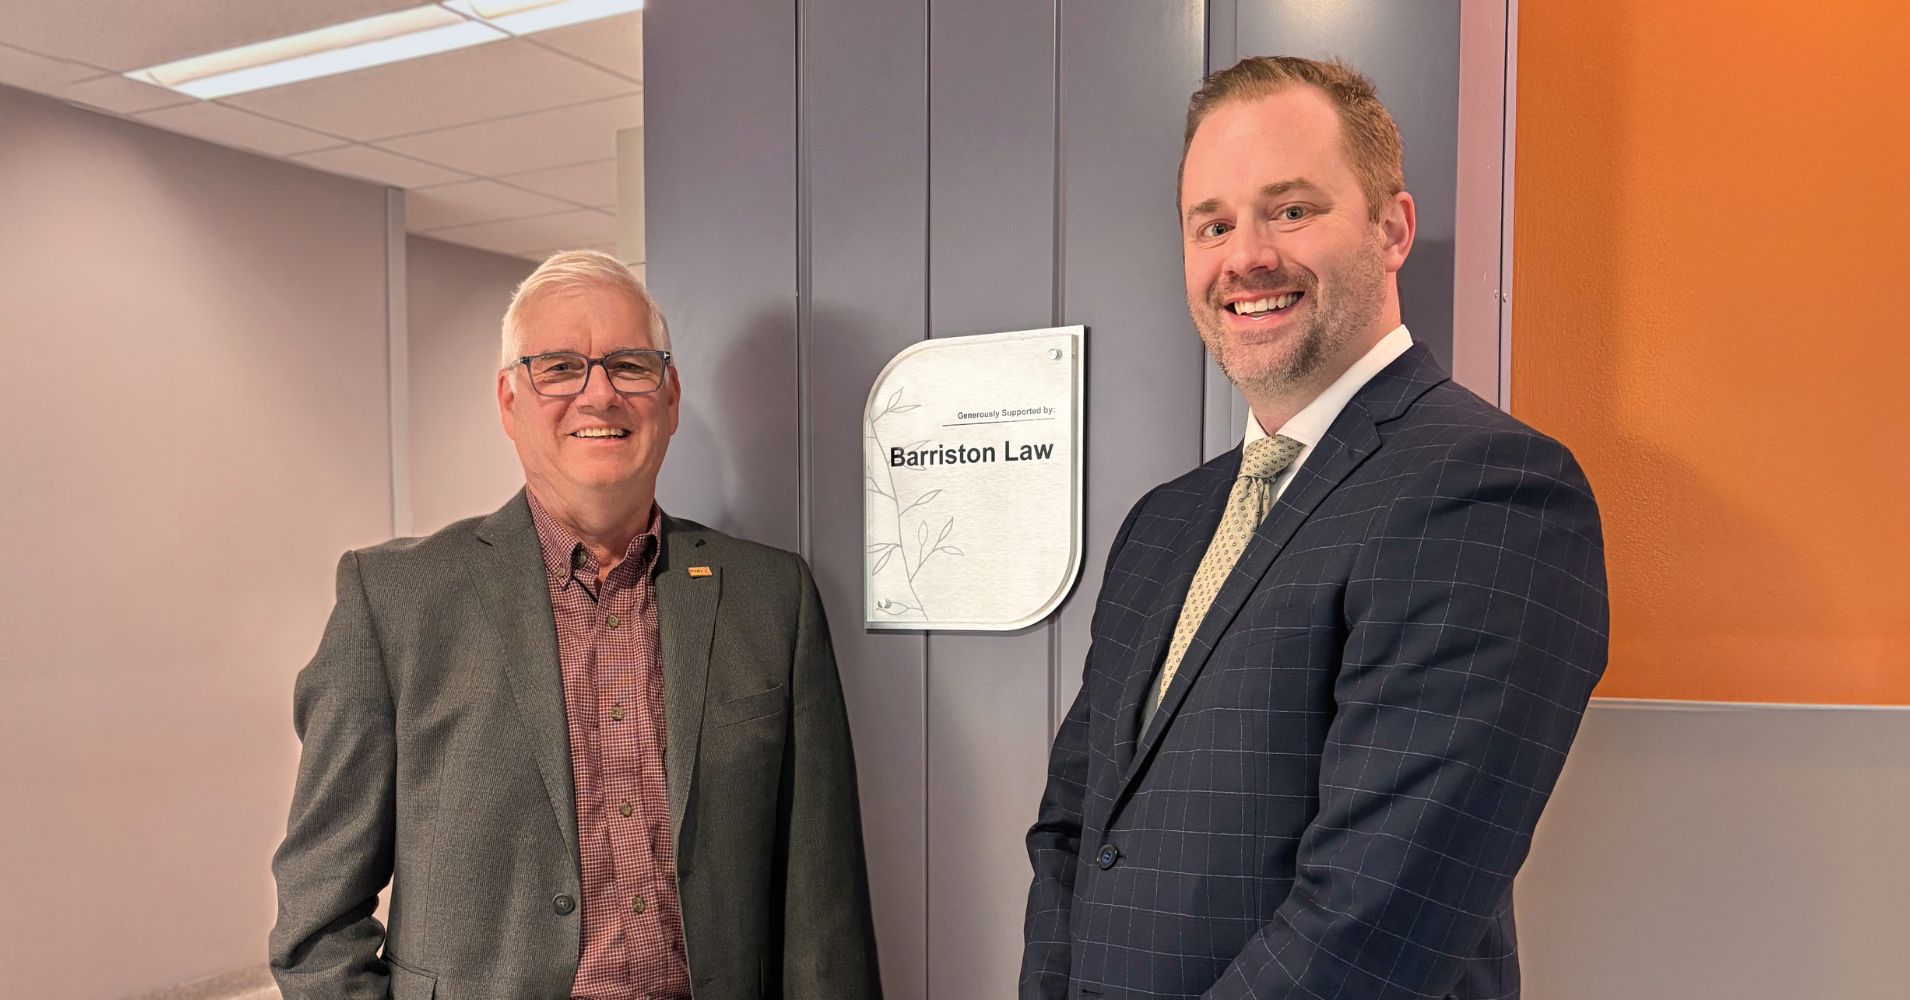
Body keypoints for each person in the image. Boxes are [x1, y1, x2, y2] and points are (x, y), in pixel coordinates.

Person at [1021, 57, 1608, 999]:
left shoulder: (1492, 490)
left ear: (1392, 229)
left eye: (1291, 210)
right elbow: (1073, 830)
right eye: (1213, 224)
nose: (1245, 256)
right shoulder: (1163, 525)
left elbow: (1380, 916)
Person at [271, 250, 881, 1000]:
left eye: (629, 365)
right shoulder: (396, 600)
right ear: (508, 400)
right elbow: (318, 917)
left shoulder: (769, 596)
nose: (600, 395)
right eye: (559, 368)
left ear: (671, 396)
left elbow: (822, 902)